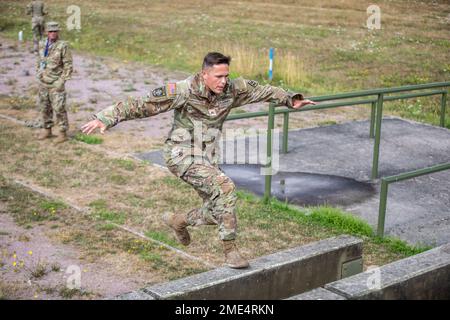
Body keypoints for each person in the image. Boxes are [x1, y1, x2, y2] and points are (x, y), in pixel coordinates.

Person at [81, 52, 315, 268]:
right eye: (218, 76)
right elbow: (142, 104)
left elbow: (263, 91)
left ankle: (179, 220)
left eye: (226, 75)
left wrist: (290, 99)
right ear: (204, 74)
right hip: (180, 153)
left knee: (219, 211)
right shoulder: (183, 90)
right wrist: (106, 118)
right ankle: (231, 252)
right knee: (225, 188)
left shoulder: (232, 89)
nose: (223, 81)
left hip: (207, 156)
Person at [36, 22, 73, 143]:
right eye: (50, 31)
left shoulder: (63, 46)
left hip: (56, 82)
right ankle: (47, 129)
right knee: (44, 107)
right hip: (43, 82)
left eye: (55, 31)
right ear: (47, 32)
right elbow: (40, 60)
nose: (53, 33)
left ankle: (62, 133)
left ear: (58, 32)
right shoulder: (42, 44)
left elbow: (68, 65)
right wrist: (39, 73)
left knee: (59, 108)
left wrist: (61, 81)